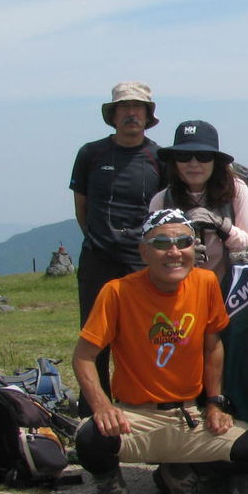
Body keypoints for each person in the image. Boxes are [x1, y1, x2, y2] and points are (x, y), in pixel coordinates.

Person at [71, 209, 248, 494]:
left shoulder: (206, 282)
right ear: (143, 252)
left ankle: (177, 473)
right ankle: (112, 489)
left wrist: (215, 403)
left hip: (187, 414)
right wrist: (102, 406)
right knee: (88, 439)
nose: (174, 251)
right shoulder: (117, 292)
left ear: (194, 248)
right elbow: (83, 356)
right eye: (161, 243)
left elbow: (213, 347)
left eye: (184, 242)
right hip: (134, 417)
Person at [69, 82, 165, 413]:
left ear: (148, 115)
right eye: (124, 108)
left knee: (144, 337)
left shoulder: (157, 157)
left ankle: (142, 407)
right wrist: (98, 238)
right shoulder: (90, 153)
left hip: (142, 263)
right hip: (98, 259)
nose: (131, 113)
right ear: (113, 115)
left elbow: (164, 210)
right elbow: (81, 206)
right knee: (95, 339)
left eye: (138, 108)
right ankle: (92, 411)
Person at [148, 120, 248, 284]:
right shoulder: (161, 200)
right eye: (184, 156)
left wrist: (223, 227)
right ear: (174, 162)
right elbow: (151, 254)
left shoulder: (236, 190)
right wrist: (182, 253)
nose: (194, 164)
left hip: (230, 293)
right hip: (180, 293)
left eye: (203, 157)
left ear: (215, 161)